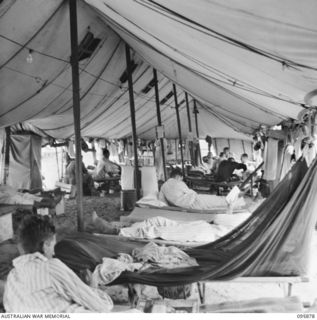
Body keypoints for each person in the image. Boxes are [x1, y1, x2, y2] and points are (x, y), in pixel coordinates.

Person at [3, 215, 113, 313]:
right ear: (45, 245)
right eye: (52, 245)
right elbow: (101, 306)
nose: (54, 252)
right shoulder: (50, 267)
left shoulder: (12, 276)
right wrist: (92, 287)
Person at [158, 168, 245, 210]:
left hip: (186, 204)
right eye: (181, 178)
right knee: (216, 200)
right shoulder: (178, 183)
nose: (181, 179)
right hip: (193, 201)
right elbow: (189, 192)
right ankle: (239, 201)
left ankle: (237, 201)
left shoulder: (164, 186)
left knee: (215, 202)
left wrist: (172, 207)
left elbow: (161, 201)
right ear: (177, 176)